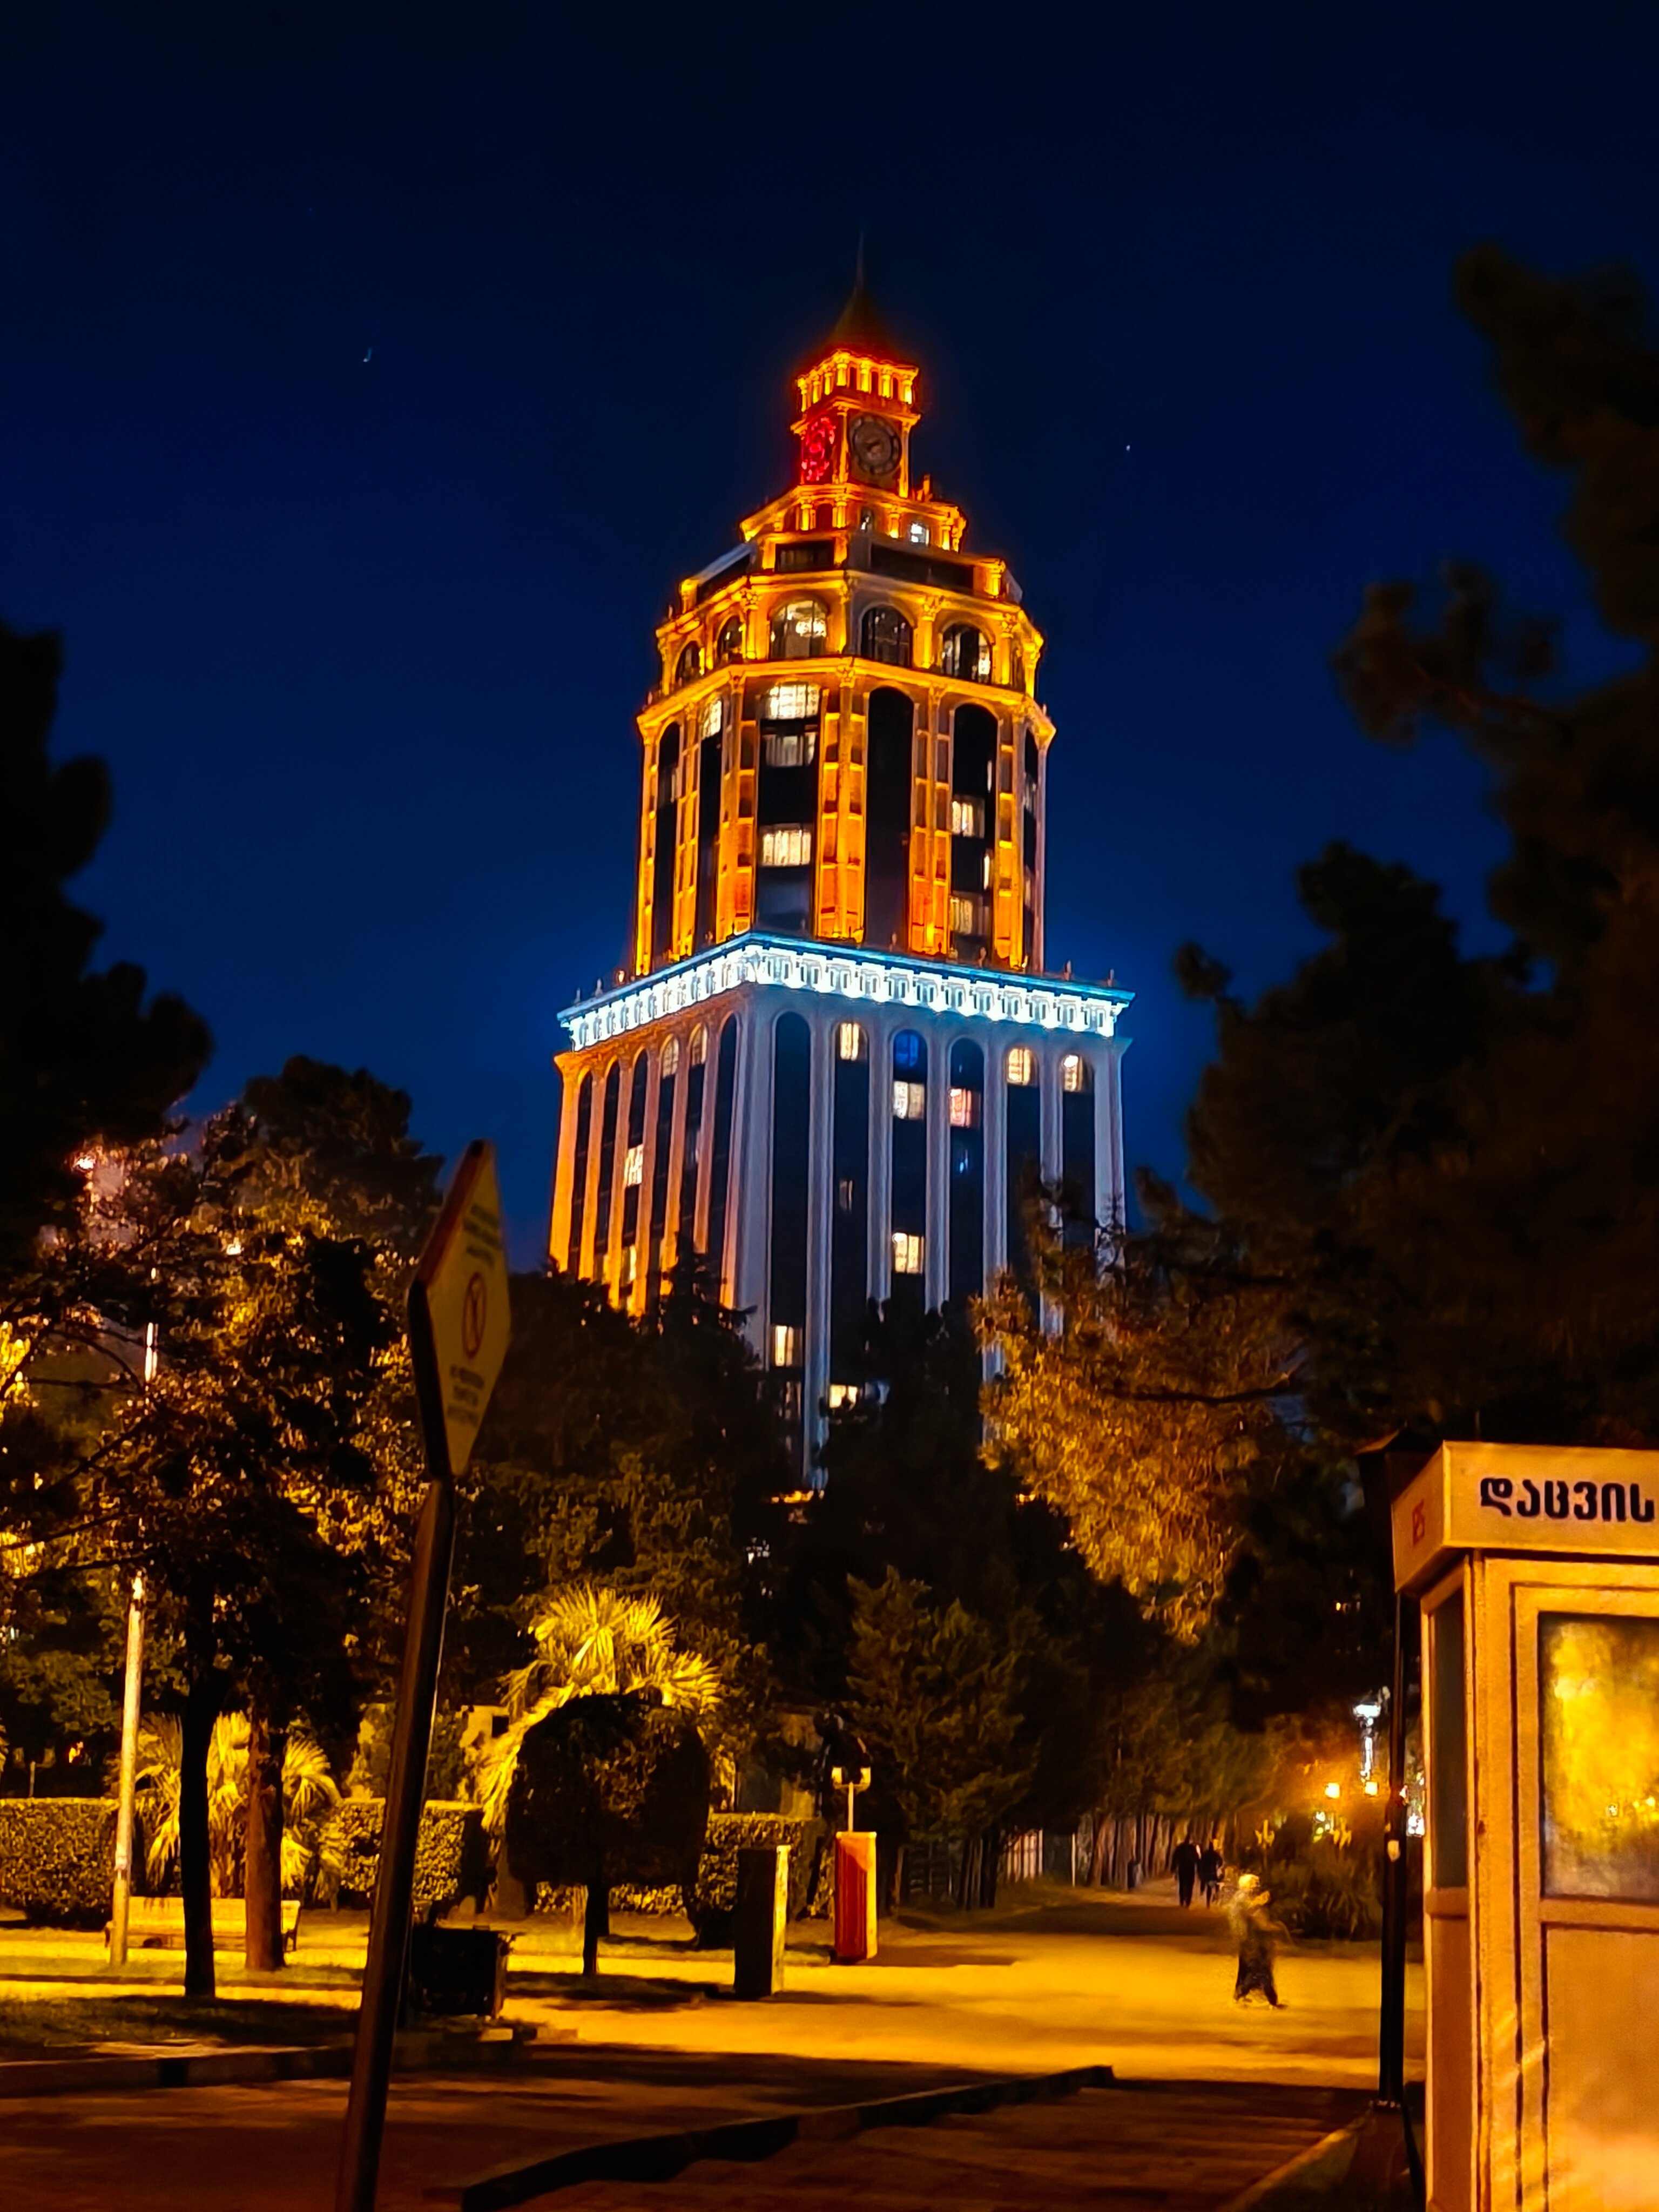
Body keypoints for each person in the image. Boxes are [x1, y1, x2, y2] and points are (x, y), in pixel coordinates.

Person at [1227, 1873, 1286, 2007]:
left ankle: (1241, 1996)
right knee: (1259, 1971)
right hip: (1249, 1941)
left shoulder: (1240, 1898)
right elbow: (1251, 1912)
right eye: (1254, 1884)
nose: (1256, 1887)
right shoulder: (1242, 1898)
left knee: (1248, 1970)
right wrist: (1261, 1902)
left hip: (1246, 1940)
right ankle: (1268, 2000)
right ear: (1247, 1886)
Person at [1172, 1833, 1201, 1908]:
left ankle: (1182, 1900)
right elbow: (1197, 1858)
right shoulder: (1192, 1848)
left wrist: (1174, 1867)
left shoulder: (1180, 1848)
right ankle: (1188, 1901)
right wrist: (1199, 1868)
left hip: (1182, 1868)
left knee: (1182, 1884)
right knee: (1190, 1885)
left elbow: (1175, 1857)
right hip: (1190, 1869)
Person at [1199, 1839, 1224, 1906]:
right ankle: (1216, 1898)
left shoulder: (1206, 1854)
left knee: (1209, 1888)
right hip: (1213, 1872)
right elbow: (1221, 1861)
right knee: (1216, 1886)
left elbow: (1201, 1862)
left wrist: (1202, 1871)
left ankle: (1208, 1902)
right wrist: (1218, 1866)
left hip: (1207, 1873)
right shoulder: (1215, 1854)